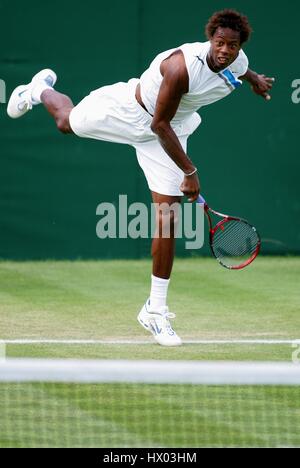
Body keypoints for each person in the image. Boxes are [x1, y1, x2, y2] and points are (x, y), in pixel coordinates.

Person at [7, 9, 274, 347]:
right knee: (65, 122)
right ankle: (37, 91)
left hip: (170, 128)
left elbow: (238, 69)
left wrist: (255, 79)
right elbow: (157, 125)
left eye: (232, 46)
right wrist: (189, 172)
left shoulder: (236, 59)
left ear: (239, 46)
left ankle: (155, 310)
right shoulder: (181, 68)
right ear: (210, 39)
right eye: (219, 43)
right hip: (132, 113)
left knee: (167, 218)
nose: (224, 50)